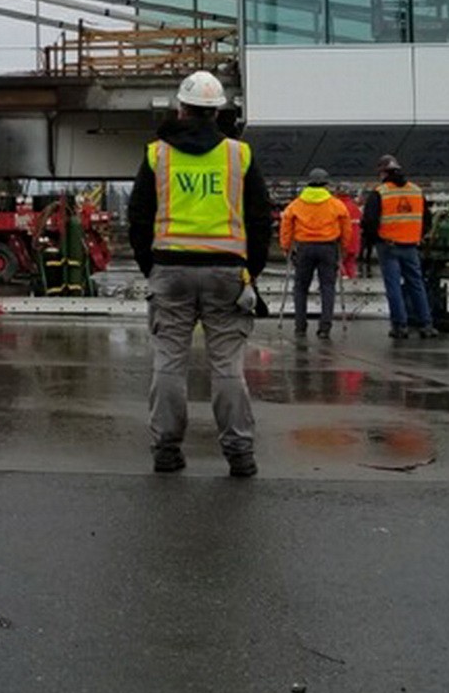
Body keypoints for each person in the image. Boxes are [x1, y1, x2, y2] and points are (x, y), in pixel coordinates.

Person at [127, 70, 272, 478]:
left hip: (170, 270)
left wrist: (151, 265)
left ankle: (166, 450)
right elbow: (260, 218)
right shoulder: (238, 155)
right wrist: (250, 270)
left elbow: (138, 217)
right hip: (227, 271)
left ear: (181, 108)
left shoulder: (157, 155)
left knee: (169, 362)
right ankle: (240, 454)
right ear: (218, 112)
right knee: (227, 365)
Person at [360, 154, 437, 340]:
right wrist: (417, 235)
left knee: (393, 286)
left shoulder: (380, 192)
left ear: (383, 173)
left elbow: (369, 221)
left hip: (388, 245)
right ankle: (426, 324)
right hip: (411, 246)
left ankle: (400, 326)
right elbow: (426, 219)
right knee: (416, 284)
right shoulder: (416, 191)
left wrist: (374, 239)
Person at [279, 168, 353, 342]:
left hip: (304, 247)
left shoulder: (297, 204)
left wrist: (286, 246)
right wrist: (344, 248)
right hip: (328, 247)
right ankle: (325, 327)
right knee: (327, 287)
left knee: (300, 287)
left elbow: (286, 225)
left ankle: (300, 325)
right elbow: (346, 227)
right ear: (326, 184)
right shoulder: (335, 204)